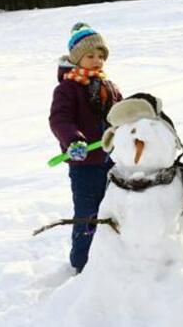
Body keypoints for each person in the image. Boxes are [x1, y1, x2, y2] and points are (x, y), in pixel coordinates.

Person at [49, 23, 123, 273]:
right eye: (90, 55)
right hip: (85, 164)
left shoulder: (109, 87)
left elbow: (121, 114)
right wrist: (73, 140)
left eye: (101, 55)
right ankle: (82, 263)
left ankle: (113, 256)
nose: (97, 60)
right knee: (87, 213)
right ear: (77, 58)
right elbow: (60, 119)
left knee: (114, 209)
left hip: (112, 160)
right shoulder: (67, 88)